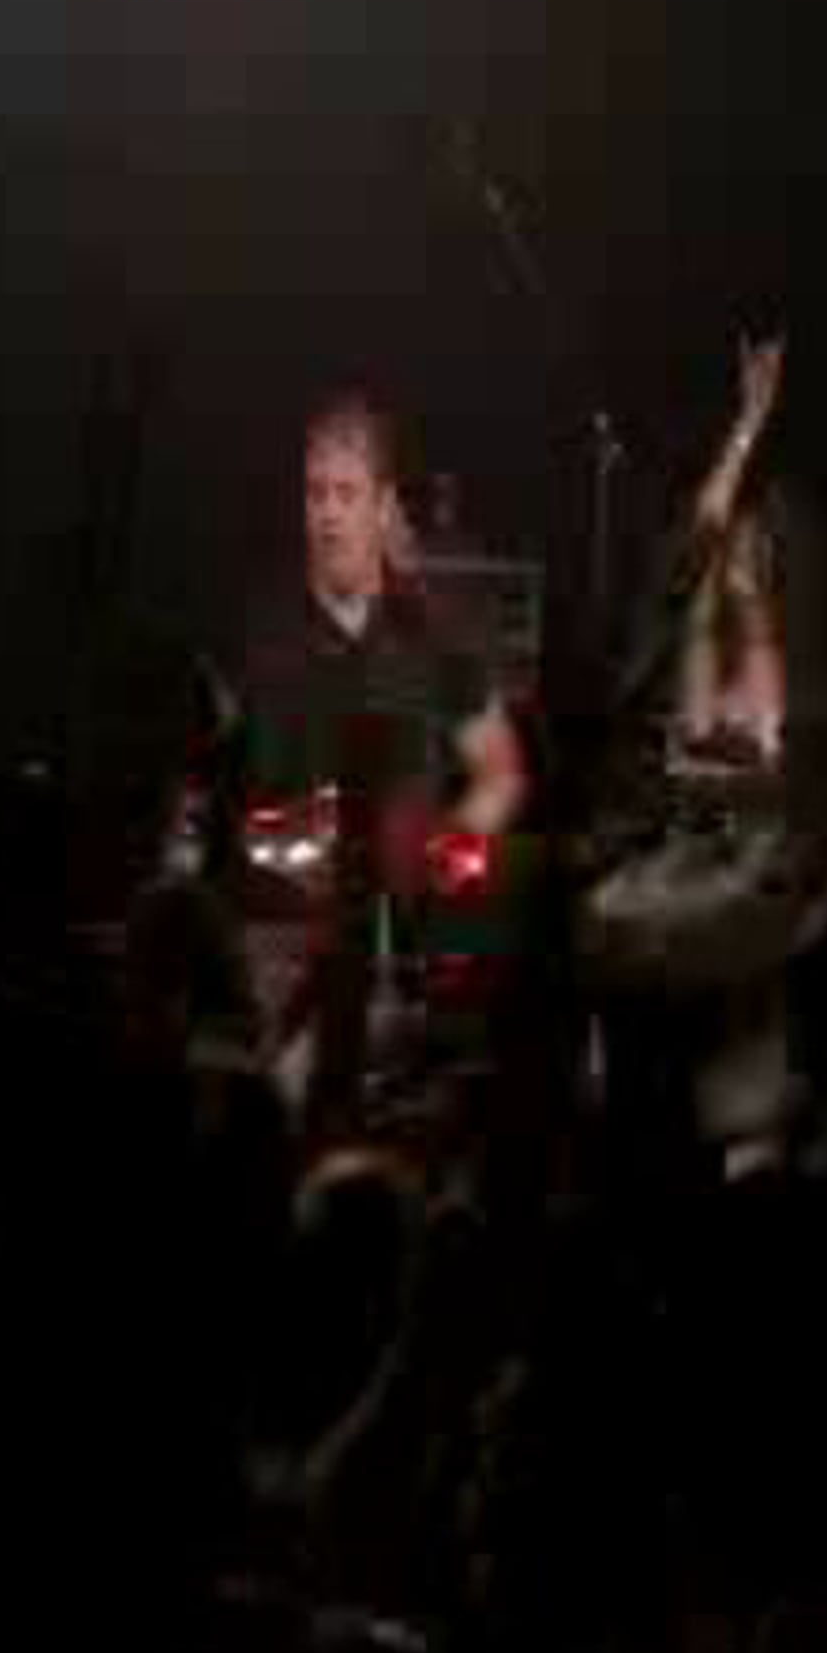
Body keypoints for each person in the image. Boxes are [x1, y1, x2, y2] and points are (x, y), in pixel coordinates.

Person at [226, 393, 529, 1131]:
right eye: (314, 494)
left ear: (384, 506)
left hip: (398, 957)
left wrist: (440, 872)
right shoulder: (268, 631)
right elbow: (243, 807)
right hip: (285, 942)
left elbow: (501, 775)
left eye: (346, 494)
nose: (327, 515)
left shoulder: (432, 633)